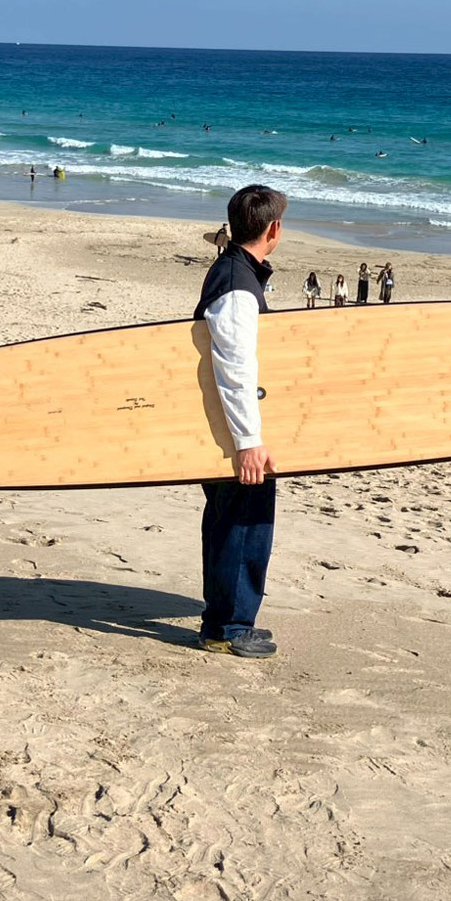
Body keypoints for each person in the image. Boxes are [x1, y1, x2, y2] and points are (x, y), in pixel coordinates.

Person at [195, 184, 286, 659]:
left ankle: (225, 620)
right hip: (232, 430)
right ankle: (228, 627)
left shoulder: (237, 271)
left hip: (227, 426)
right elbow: (234, 367)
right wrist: (249, 441)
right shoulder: (237, 285)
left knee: (231, 520)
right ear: (273, 230)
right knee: (243, 523)